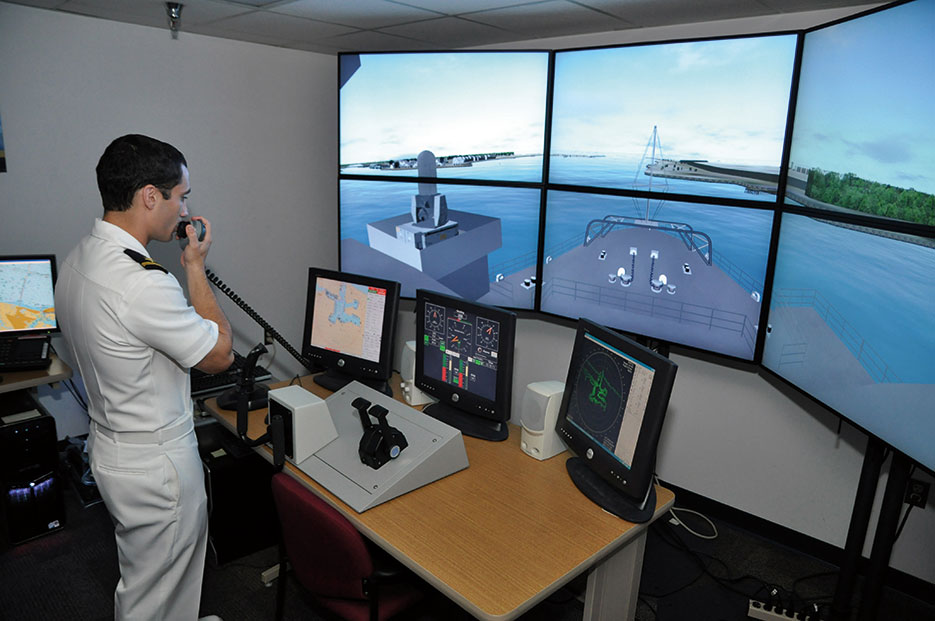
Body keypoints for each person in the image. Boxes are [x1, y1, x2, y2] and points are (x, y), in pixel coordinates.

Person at [55, 134, 234, 620]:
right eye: (181, 196)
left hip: (111, 447)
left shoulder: (79, 258)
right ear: (150, 196)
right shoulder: (141, 282)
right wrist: (195, 268)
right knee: (154, 595)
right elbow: (219, 355)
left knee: (147, 574)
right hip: (157, 465)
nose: (185, 209)